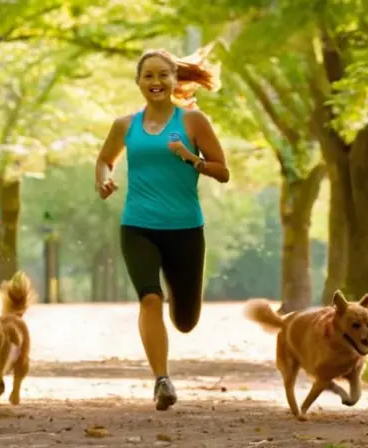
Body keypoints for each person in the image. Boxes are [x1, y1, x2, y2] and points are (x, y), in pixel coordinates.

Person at [94, 48, 231, 411]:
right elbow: (105, 160)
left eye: (162, 75)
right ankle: (162, 380)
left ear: (175, 80)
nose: (155, 82)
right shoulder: (125, 125)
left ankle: (177, 299)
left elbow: (223, 171)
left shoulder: (193, 121)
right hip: (138, 225)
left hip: (185, 228)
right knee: (149, 298)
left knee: (185, 321)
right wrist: (104, 180)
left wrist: (191, 159)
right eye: (148, 76)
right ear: (138, 82)